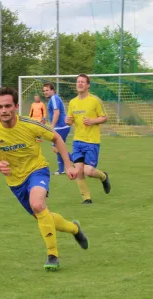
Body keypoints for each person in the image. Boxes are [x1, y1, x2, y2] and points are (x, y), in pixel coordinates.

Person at [0, 86, 89, 271]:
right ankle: (74, 228)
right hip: (15, 181)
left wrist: (69, 165)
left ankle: (52, 255)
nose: (4, 110)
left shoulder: (30, 124)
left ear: (16, 106)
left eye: (8, 106)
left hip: (37, 170)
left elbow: (57, 139)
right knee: (42, 215)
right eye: (0, 107)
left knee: (38, 205)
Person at [65, 74, 111, 204]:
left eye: (82, 82)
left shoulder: (94, 100)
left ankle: (103, 176)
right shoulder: (73, 102)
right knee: (79, 171)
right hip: (77, 141)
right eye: (78, 82)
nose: (79, 84)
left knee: (89, 171)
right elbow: (69, 120)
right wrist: (67, 121)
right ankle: (86, 198)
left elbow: (104, 118)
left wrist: (92, 121)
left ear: (88, 85)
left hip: (92, 141)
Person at [42, 83, 71, 175]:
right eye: (44, 91)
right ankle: (61, 169)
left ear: (52, 90)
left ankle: (76, 160)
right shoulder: (53, 98)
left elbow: (56, 113)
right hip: (62, 126)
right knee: (58, 147)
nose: (45, 92)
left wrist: (52, 126)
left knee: (56, 148)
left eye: (47, 90)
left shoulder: (54, 98)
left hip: (60, 127)